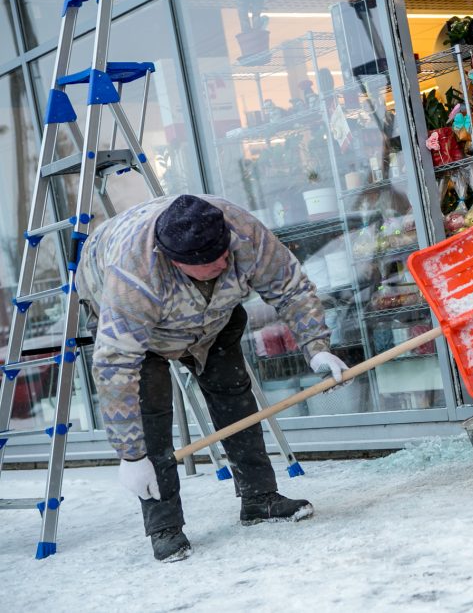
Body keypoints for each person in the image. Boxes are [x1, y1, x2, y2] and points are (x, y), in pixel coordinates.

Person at [76, 194, 350, 562]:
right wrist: (131, 454)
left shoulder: (242, 232)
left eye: (225, 252)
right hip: (141, 337)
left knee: (234, 394)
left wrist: (316, 346)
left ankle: (259, 499)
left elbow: (292, 287)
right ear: (178, 261)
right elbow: (115, 366)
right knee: (150, 418)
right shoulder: (133, 275)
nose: (225, 261)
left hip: (214, 317)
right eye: (212, 262)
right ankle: (164, 527)